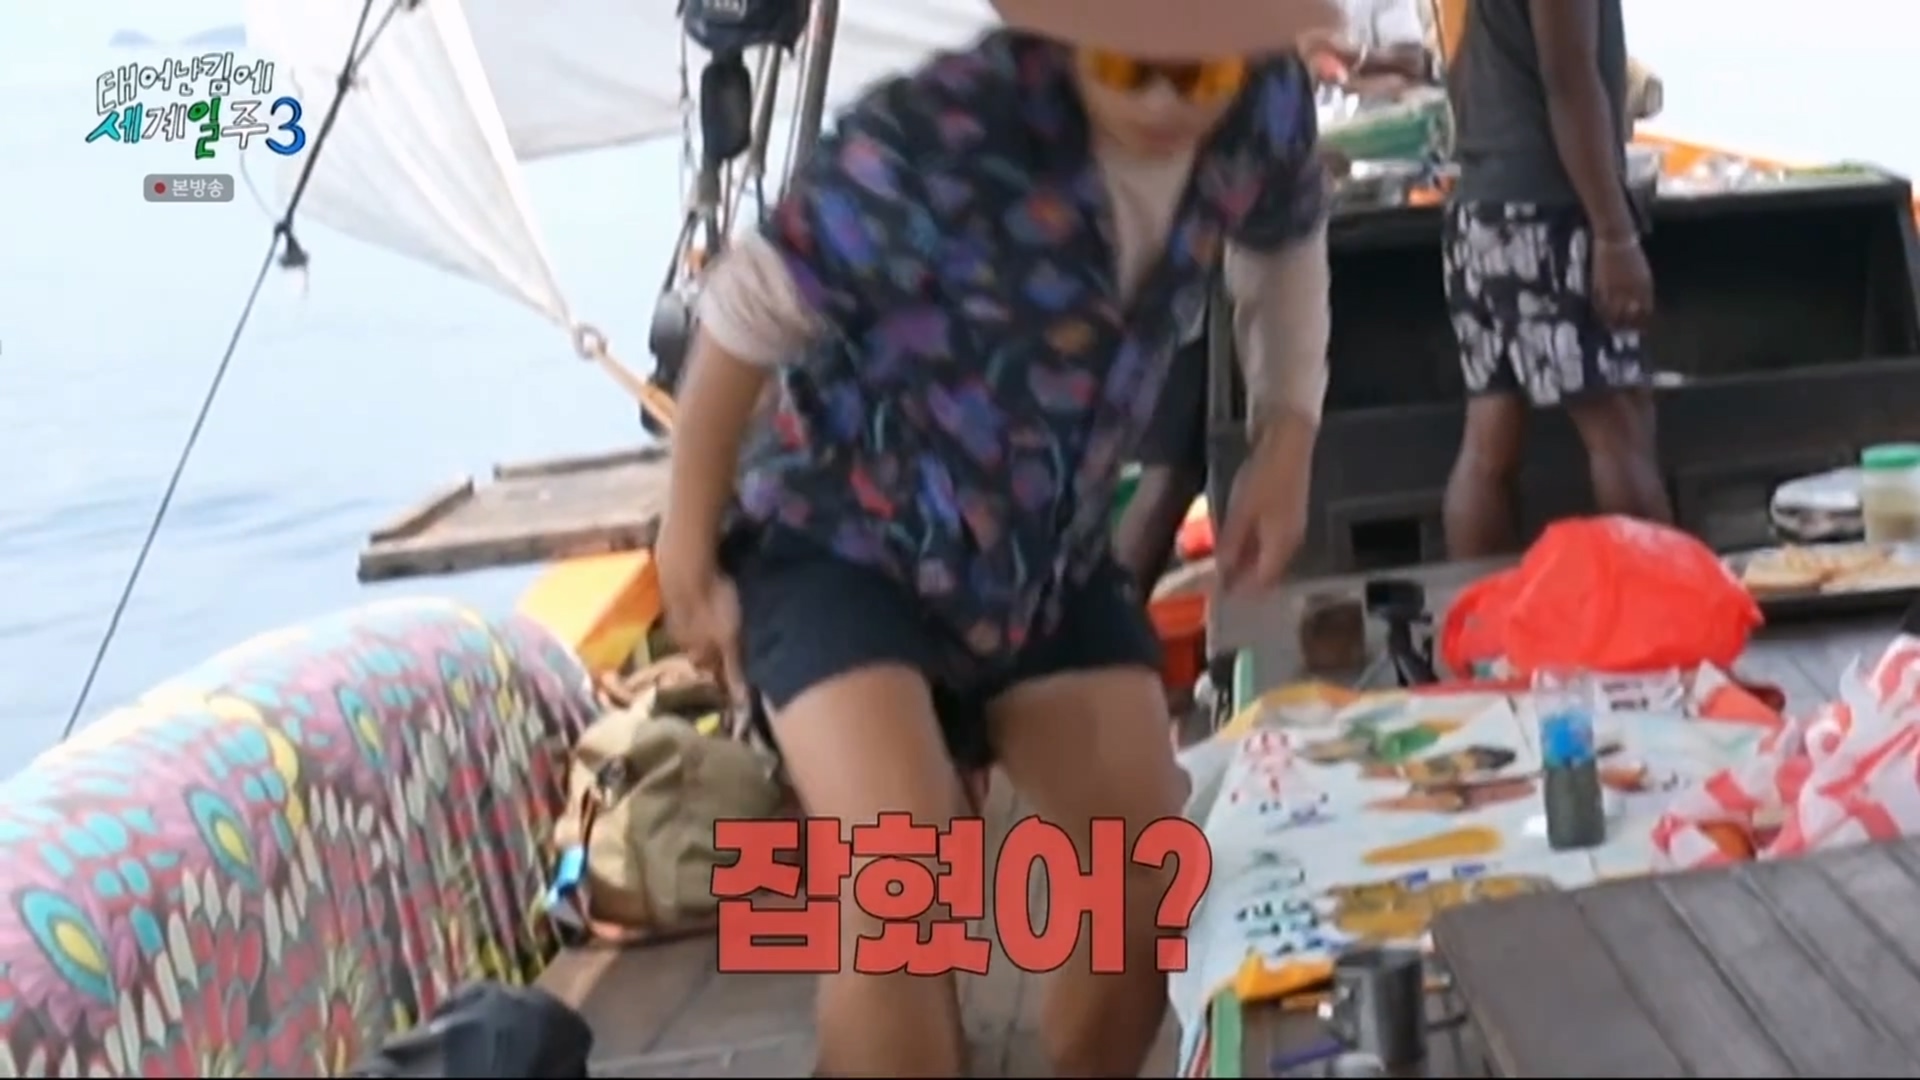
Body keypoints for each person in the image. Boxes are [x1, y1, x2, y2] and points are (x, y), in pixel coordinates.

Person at [655, 0, 1340, 1073]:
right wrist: (685, 548)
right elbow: (744, 309)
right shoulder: (935, 133)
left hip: (1042, 557)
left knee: (1149, 867)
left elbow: (1285, 241)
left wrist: (1286, 435)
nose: (1168, 102)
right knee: (900, 874)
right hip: (845, 535)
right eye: (1133, 66)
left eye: (1201, 75)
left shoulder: (1266, 99)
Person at [1440, 0, 1671, 559]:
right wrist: (1614, 234)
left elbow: (1461, 74)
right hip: (1550, 211)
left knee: (1489, 442)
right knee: (1619, 423)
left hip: (1481, 211)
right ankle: (1653, 604)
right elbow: (1569, 80)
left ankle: (1486, 611)